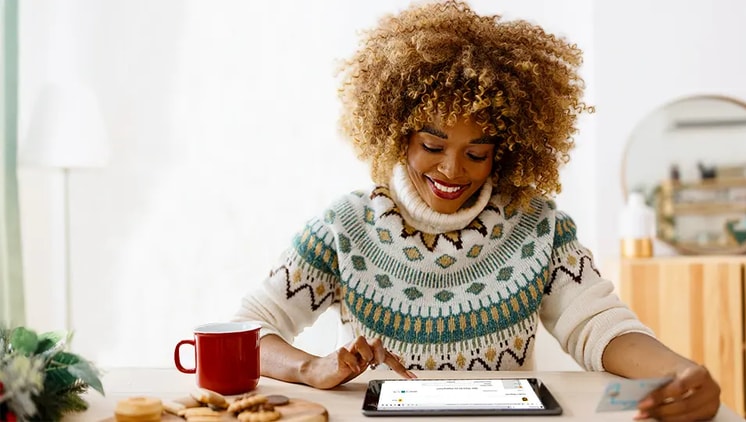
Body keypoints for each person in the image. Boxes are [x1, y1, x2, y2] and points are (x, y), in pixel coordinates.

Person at [233, 1, 721, 420]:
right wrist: (309, 367)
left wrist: (679, 372)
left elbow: (599, 325)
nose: (451, 171)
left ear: (503, 152)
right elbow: (247, 331)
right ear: (398, 133)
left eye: (477, 152)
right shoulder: (345, 227)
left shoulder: (538, 227)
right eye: (432, 144)